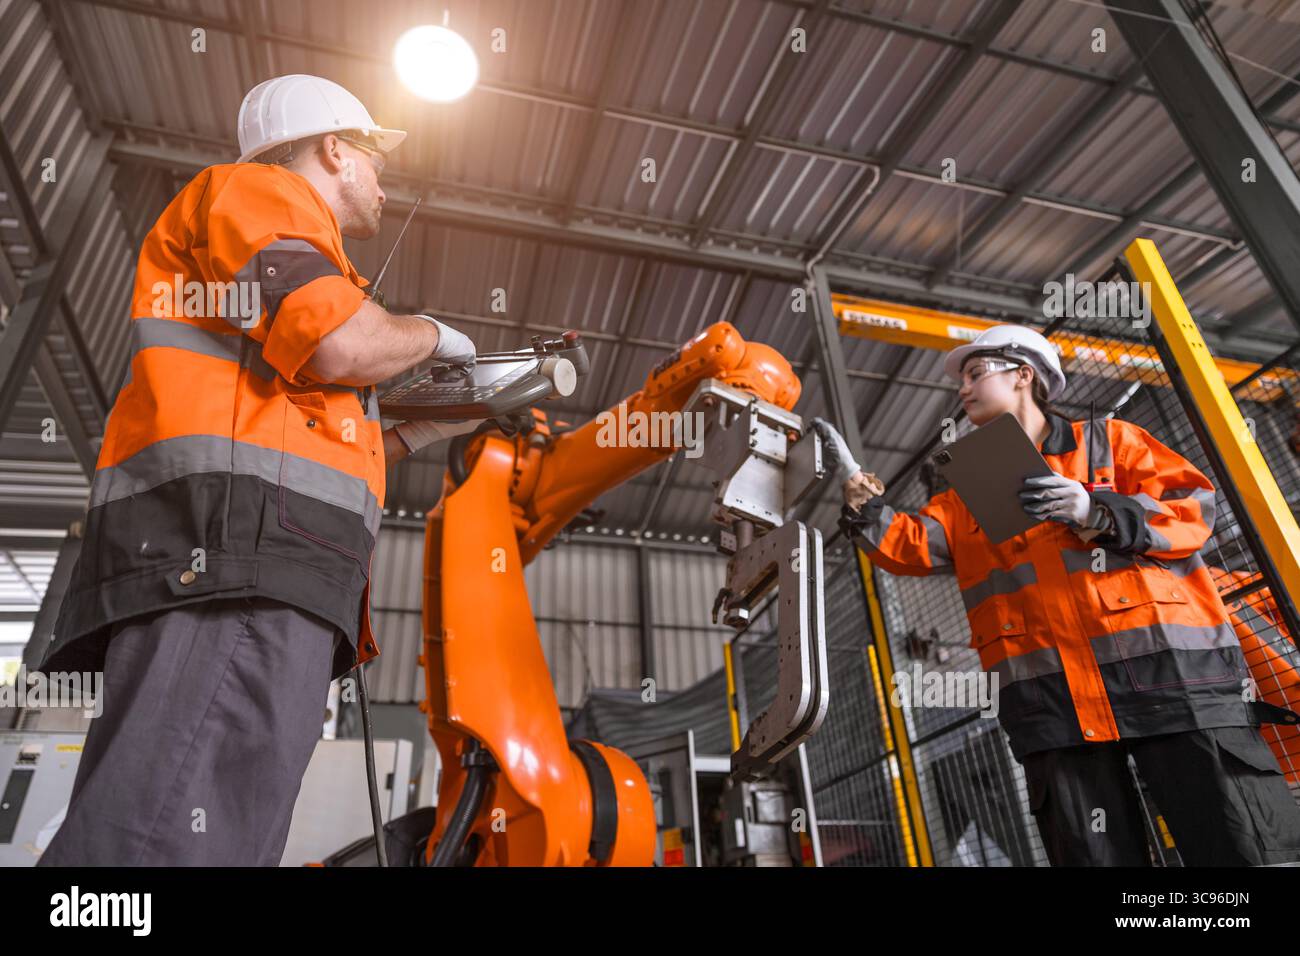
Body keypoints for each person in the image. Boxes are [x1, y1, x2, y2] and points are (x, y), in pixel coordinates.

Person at [35, 74, 480, 866]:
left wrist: (433, 422)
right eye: (376, 157)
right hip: (237, 565)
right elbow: (344, 345)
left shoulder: (285, 270)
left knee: (194, 826)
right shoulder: (261, 192)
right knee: (168, 840)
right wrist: (433, 333)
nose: (383, 181)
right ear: (335, 149)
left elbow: (309, 428)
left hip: (252, 565)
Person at [822, 323, 1300, 866]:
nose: (962, 389)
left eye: (976, 373)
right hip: (1052, 706)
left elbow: (1193, 509)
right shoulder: (966, 494)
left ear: (1024, 376)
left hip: (1171, 684)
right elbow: (908, 548)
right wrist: (863, 505)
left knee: (1238, 847)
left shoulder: (1112, 442)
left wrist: (1095, 509)